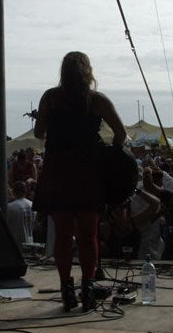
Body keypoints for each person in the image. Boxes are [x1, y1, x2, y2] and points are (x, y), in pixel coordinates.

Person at [33, 51, 126, 312]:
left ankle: (66, 290)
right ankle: (87, 289)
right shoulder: (97, 100)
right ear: (88, 71)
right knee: (88, 235)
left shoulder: (50, 98)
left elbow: (40, 132)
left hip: (58, 172)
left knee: (63, 236)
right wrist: (106, 153)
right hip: (88, 172)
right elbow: (121, 134)